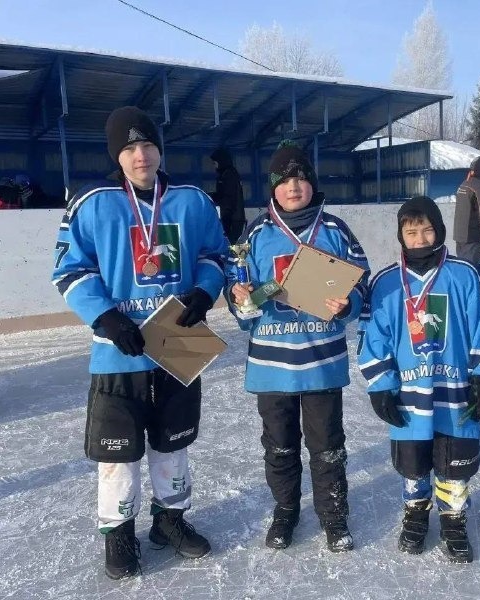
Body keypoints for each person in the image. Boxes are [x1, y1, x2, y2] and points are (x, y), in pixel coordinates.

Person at [51, 106, 228, 579]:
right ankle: (118, 532)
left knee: (174, 444)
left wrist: (204, 291)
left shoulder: (192, 201)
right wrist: (107, 318)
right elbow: (69, 269)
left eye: (147, 144)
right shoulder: (92, 202)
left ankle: (170, 520)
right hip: (118, 352)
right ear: (117, 154)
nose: (140, 155)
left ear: (159, 148)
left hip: (178, 345)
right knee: (118, 454)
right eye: (129, 148)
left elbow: (215, 255)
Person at [225, 141, 369, 553]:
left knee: (327, 447)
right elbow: (236, 289)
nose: (294, 186)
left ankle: (333, 515)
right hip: (272, 366)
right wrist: (240, 299)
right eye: (285, 180)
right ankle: (286, 510)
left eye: (302, 178)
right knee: (280, 446)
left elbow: (362, 282)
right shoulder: (255, 234)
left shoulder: (336, 230)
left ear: (313, 184)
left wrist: (348, 303)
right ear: (273, 187)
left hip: (321, 362)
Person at [357, 196, 480, 563]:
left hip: (456, 393)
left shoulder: (465, 275)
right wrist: (381, 386)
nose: (420, 238)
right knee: (414, 463)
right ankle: (416, 512)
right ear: (401, 236)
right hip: (410, 396)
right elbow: (372, 337)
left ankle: (453, 519)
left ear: (439, 230)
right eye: (411, 232)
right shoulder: (386, 282)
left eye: (427, 230)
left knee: (454, 463)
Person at [453, 155, 480, 264]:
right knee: (470, 267)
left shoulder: (465, 184)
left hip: (460, 235)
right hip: (473, 236)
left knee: (462, 264)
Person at [209, 147, 246, 244]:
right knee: (230, 242)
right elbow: (223, 195)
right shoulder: (226, 174)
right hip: (233, 217)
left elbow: (229, 198)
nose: (214, 166)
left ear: (221, 161)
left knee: (231, 243)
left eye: (215, 163)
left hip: (233, 218)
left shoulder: (229, 175)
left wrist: (225, 216)